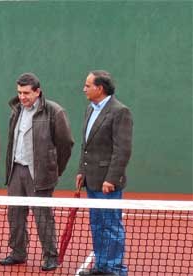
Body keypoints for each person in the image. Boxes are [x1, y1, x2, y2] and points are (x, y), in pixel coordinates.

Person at [0, 73, 74, 271]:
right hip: (16, 170)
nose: (22, 97)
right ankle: (18, 253)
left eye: (26, 93)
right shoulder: (16, 110)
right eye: (19, 92)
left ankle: (50, 256)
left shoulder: (54, 111)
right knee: (15, 215)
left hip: (40, 174)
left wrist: (54, 168)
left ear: (37, 92)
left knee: (42, 216)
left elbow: (65, 144)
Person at [76, 70, 133, 276]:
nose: (84, 89)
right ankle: (101, 266)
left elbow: (122, 150)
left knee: (111, 226)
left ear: (99, 88)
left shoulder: (120, 112)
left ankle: (116, 270)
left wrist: (111, 178)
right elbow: (86, 145)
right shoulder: (90, 110)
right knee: (97, 224)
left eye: (87, 85)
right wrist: (81, 171)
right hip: (91, 180)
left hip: (107, 184)